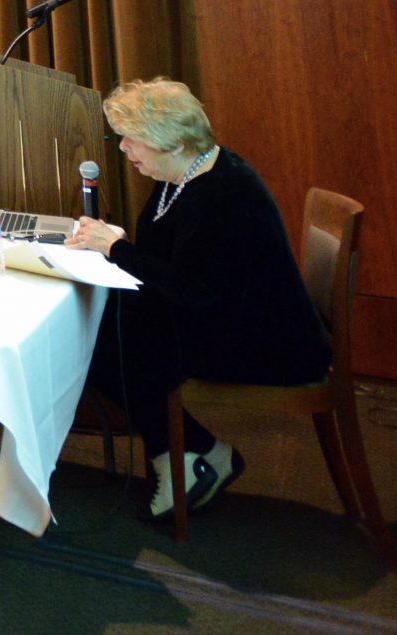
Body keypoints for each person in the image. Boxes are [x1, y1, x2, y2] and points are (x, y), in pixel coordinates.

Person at [66, 78, 331, 521]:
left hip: (269, 343)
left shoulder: (223, 194)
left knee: (109, 341)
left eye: (132, 139)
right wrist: (115, 246)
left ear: (171, 141)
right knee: (103, 327)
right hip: (227, 315)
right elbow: (175, 264)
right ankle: (192, 454)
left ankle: (183, 456)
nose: (123, 148)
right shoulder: (182, 174)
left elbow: (193, 290)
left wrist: (116, 249)